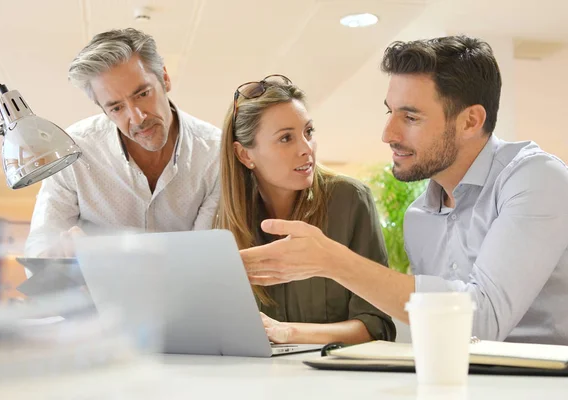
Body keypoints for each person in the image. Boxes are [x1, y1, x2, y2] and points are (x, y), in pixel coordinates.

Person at [240, 36, 568, 345]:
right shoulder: (420, 217)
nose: (388, 134)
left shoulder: (535, 178)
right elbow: (437, 332)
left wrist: (333, 261)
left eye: (410, 116)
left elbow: (481, 323)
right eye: (390, 111)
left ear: (470, 122)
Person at [214, 74, 395, 344]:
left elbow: (377, 326)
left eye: (308, 132)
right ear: (244, 155)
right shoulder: (226, 221)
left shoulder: (350, 200)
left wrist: (288, 333)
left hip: (333, 379)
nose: (306, 149)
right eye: (286, 138)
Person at [25, 28, 221, 257]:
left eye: (143, 94)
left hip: (184, 291)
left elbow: (206, 254)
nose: (137, 118)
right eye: (117, 108)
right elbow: (40, 247)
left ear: (165, 79)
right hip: (93, 291)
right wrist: (59, 257)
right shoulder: (73, 151)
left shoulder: (214, 152)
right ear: (102, 109)